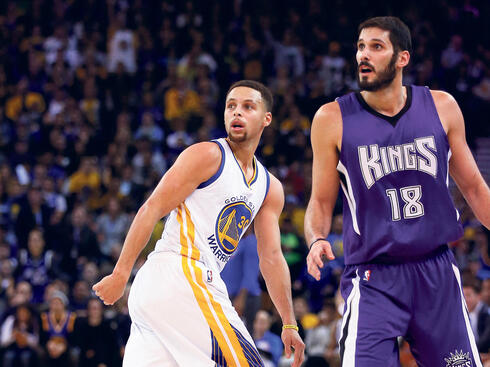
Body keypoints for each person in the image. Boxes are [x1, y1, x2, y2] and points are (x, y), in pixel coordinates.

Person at [304, 16, 490, 366]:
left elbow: (476, 190)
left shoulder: (442, 106)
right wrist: (316, 238)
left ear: (402, 58)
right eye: (361, 46)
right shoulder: (332, 118)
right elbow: (320, 201)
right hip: (374, 276)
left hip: (436, 270)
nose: (364, 55)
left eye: (376, 47)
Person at [93, 80, 305, 366]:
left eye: (247, 107)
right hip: (181, 272)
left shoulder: (269, 188)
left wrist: (289, 322)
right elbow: (152, 207)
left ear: (266, 118)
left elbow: (271, 258)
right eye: (231, 106)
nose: (237, 113)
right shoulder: (208, 155)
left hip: (160, 294)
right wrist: (121, 274)